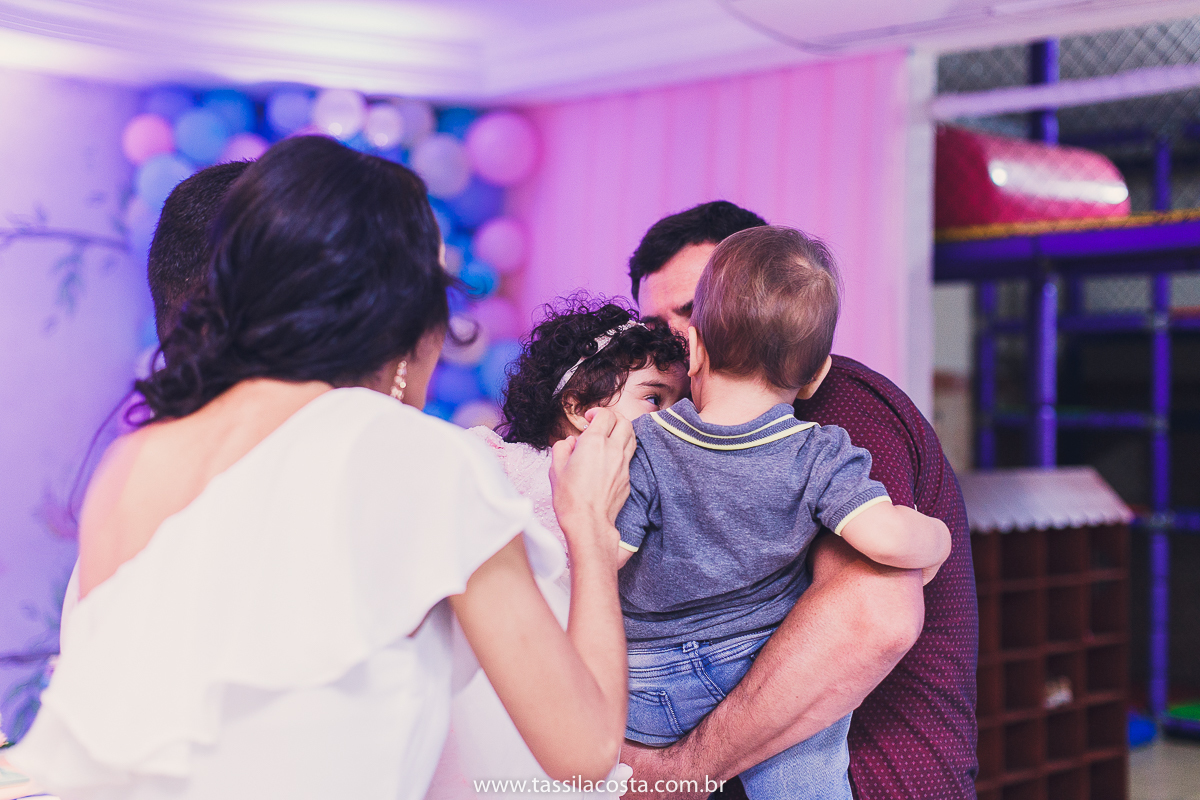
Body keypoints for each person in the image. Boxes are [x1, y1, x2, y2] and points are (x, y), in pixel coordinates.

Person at [7, 136, 633, 800]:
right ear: (405, 319)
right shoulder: (420, 456)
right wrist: (590, 533)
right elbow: (584, 753)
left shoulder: (134, 459)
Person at [622, 201, 978, 800]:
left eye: (693, 311)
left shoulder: (837, 415)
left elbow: (875, 616)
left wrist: (675, 775)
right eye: (656, 329)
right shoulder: (669, 435)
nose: (677, 342)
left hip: (875, 782)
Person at [428, 298, 689, 800]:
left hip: (585, 697)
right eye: (654, 399)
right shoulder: (500, 468)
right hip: (491, 682)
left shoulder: (648, 498)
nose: (671, 421)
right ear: (575, 406)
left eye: (681, 406)